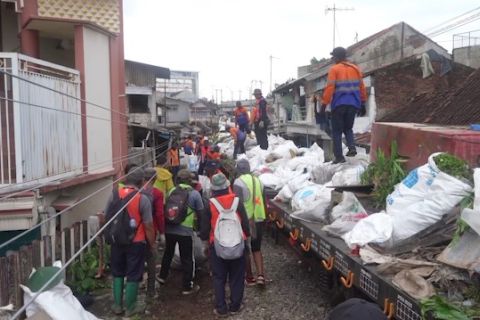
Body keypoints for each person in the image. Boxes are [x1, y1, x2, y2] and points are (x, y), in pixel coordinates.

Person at [103, 168, 155, 317]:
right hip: (136, 242)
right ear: (141, 181)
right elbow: (148, 225)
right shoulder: (142, 198)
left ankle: (117, 305)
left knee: (117, 272)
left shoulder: (113, 194)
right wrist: (151, 243)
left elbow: (106, 216)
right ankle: (130, 307)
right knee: (133, 274)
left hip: (116, 240)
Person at [200, 173, 250, 317]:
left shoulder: (209, 204)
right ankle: (235, 306)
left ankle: (221, 308)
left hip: (217, 246)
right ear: (227, 186)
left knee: (219, 277)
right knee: (237, 276)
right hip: (238, 245)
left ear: (213, 189)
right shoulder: (237, 202)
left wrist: (205, 240)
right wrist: (246, 239)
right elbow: (245, 225)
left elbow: (204, 231)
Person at [158, 169, 205, 295]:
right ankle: (187, 286)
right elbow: (201, 213)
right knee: (188, 258)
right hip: (185, 231)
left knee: (168, 253)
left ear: (177, 179)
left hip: (170, 229)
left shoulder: (171, 191)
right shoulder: (194, 194)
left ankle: (162, 277)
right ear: (190, 180)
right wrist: (200, 230)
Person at [321, 46, 367, 164]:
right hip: (353, 105)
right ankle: (352, 147)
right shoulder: (356, 69)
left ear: (337, 57)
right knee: (348, 128)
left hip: (339, 104)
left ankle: (339, 157)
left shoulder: (334, 69)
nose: (332, 59)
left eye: (333, 57)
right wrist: (363, 103)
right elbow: (362, 87)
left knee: (337, 131)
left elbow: (330, 88)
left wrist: (323, 105)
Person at [233, 159, 267, 286]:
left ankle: (250, 277)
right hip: (258, 218)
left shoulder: (238, 182)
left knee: (245, 249)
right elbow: (263, 201)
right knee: (257, 248)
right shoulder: (259, 181)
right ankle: (261, 276)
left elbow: (236, 203)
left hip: (245, 220)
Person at [143, 168, 165, 299]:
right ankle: (150, 290)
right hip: (151, 230)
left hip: (136, 231)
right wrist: (162, 232)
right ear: (155, 179)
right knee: (151, 258)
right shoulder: (156, 193)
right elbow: (159, 214)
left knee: (137, 257)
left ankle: (138, 281)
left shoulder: (136, 192)